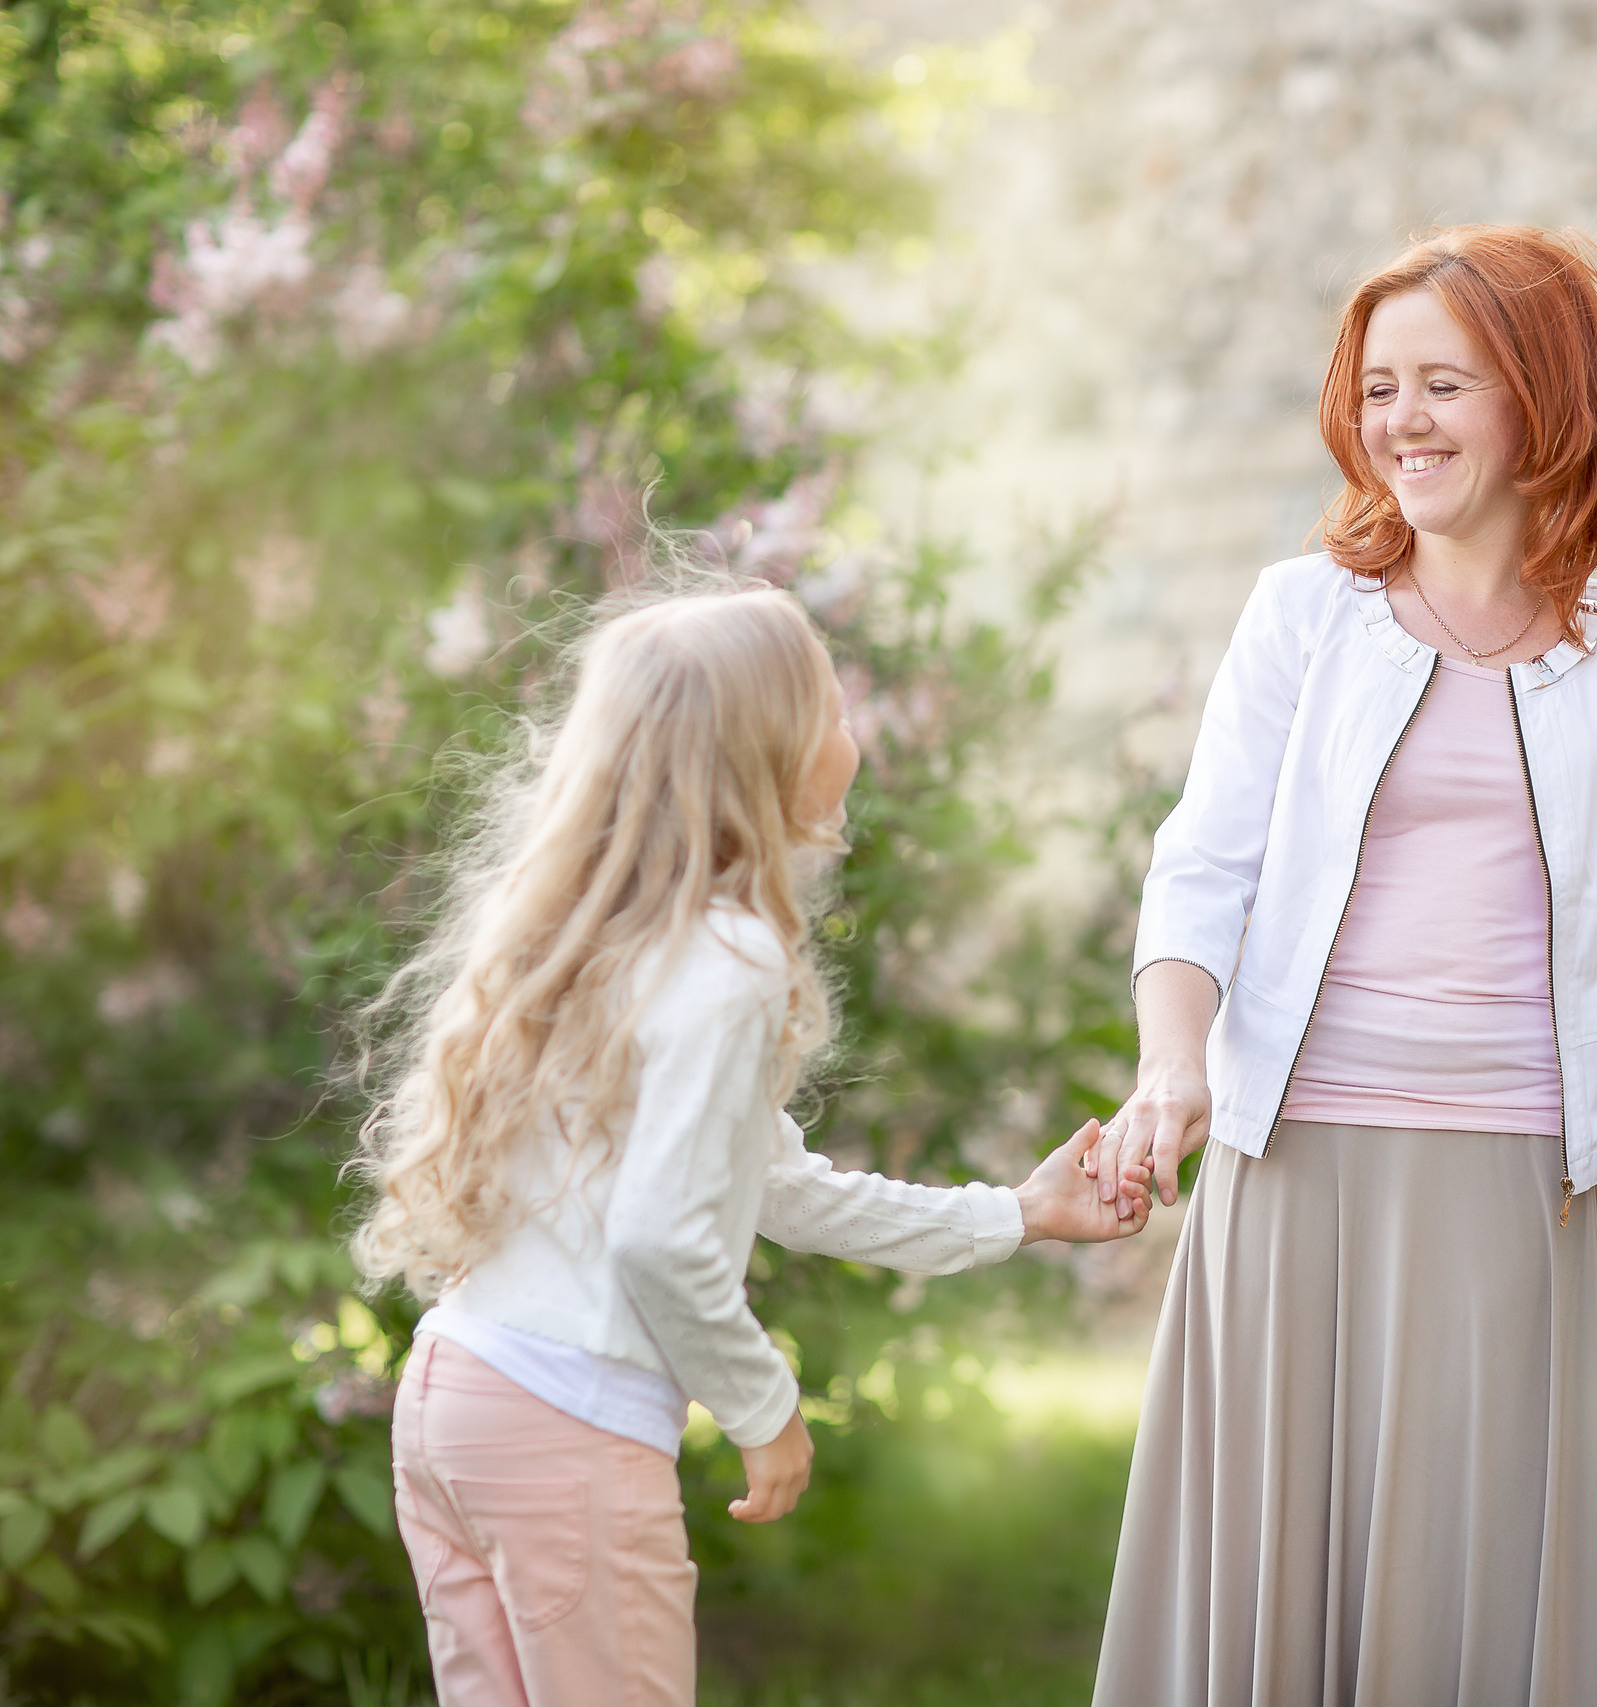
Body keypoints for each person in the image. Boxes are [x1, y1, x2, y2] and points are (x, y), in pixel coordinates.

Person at [1083, 225, 1597, 1706]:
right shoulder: (1302, 613)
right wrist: (1172, 1061)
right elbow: (1204, 869)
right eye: (1380, 388)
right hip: (1292, 1158)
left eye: (1445, 383)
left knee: (1466, 1574)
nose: (1403, 421)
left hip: (1508, 1167)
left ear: (1542, 402)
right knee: (1274, 1580)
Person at [347, 585, 1152, 1706]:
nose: (850, 735)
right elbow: (659, 1244)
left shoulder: (611, 944)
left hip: (459, 1396)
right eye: (830, 710)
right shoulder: (727, 959)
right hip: (563, 1431)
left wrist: (1014, 1213)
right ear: (767, 758)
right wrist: (765, 1407)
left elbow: (772, 1185)